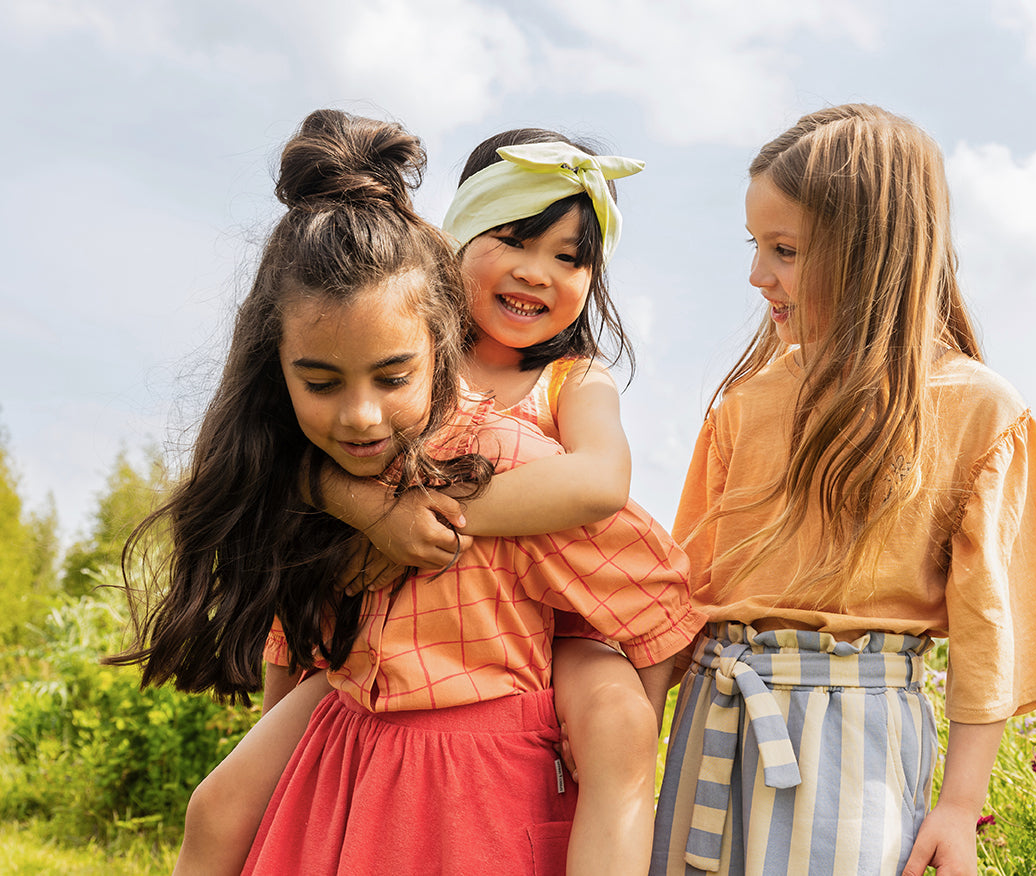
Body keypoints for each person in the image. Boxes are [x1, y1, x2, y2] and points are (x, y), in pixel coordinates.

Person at [109, 109, 700, 876]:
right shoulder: (380, 340)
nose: (536, 271)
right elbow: (276, 467)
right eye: (513, 240)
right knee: (223, 807)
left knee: (617, 728)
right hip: (390, 630)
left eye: (569, 258)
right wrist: (374, 510)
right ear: (450, 247)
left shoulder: (566, 381)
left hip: (555, 616)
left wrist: (441, 513)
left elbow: (598, 485)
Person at [649, 103, 1036, 876]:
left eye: (785, 250)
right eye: (756, 246)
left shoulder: (978, 409)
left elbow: (991, 627)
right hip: (713, 720)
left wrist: (958, 807)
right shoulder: (743, 403)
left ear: (870, 249)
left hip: (854, 747)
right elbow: (680, 590)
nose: (758, 276)